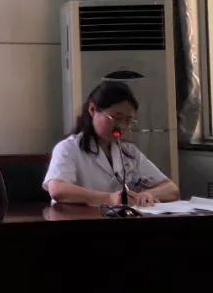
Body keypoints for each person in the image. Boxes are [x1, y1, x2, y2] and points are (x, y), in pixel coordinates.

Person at [44, 80, 178, 207]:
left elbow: (171, 189)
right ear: (92, 110)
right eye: (116, 118)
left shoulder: (129, 151)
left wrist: (147, 194)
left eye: (128, 120)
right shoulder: (68, 148)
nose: (122, 126)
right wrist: (109, 198)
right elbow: (57, 189)